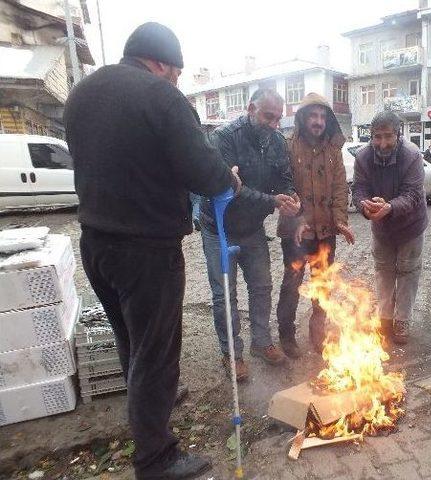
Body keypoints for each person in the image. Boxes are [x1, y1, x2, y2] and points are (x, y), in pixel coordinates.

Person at [64, 22, 239, 480]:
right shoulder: (159, 96)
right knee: (157, 351)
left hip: (95, 243)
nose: (177, 82)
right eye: (176, 73)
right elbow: (205, 171)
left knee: (132, 340)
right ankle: (156, 460)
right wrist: (228, 177)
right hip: (145, 249)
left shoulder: (82, 93)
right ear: (161, 62)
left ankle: (151, 399)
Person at [199, 89, 299, 382]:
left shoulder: (277, 141)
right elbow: (230, 189)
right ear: (251, 108)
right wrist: (273, 201)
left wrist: (291, 197)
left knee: (261, 286)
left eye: (278, 119)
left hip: (252, 229)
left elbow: (285, 178)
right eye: (269, 117)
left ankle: (261, 342)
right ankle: (232, 354)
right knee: (224, 296)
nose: (273, 124)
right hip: (218, 227)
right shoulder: (224, 138)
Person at [276, 93, 355, 357]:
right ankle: (286, 334)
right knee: (292, 283)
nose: (318, 121)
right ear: (303, 118)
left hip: (326, 231)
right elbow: (283, 187)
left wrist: (341, 221)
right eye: (313, 115)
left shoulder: (333, 150)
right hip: (295, 232)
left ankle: (317, 330)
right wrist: (296, 219)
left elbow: (340, 189)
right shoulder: (288, 147)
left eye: (322, 116)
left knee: (323, 283)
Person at [352, 111, 428, 344]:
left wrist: (390, 207)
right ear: (371, 136)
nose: (382, 143)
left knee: (407, 271)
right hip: (381, 225)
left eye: (388, 136)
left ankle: (402, 319)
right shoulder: (362, 157)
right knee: (383, 271)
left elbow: (413, 194)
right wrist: (365, 207)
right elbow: (358, 189)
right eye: (377, 137)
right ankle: (385, 318)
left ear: (398, 134)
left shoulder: (412, 155)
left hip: (410, 225)